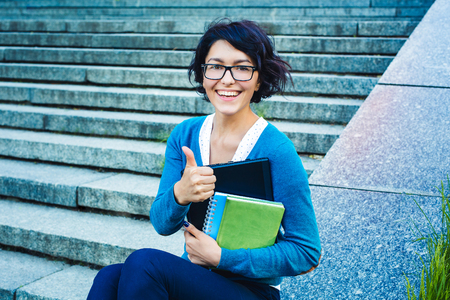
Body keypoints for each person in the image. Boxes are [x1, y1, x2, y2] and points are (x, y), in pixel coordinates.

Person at [87, 19, 321, 300]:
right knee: (110, 277)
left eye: (243, 68)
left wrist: (222, 257)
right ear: (202, 73)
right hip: (196, 280)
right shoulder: (184, 135)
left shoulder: (277, 150)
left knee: (144, 264)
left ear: (259, 79)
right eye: (216, 66)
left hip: (252, 290)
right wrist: (180, 194)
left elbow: (306, 251)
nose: (227, 79)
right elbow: (162, 225)